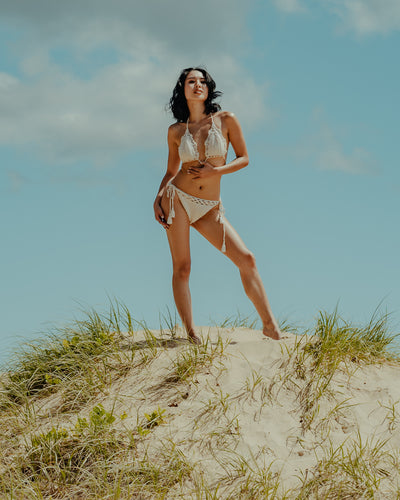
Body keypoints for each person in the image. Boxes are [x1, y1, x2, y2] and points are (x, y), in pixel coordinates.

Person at [153, 67, 282, 344]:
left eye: (202, 81)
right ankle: (191, 334)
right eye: (191, 81)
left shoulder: (225, 120)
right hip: (178, 201)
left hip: (210, 206)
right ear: (183, 89)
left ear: (209, 88)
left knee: (246, 259)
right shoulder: (176, 131)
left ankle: (270, 327)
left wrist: (216, 172)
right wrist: (158, 198)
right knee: (183, 267)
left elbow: (244, 158)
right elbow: (170, 170)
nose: (197, 85)